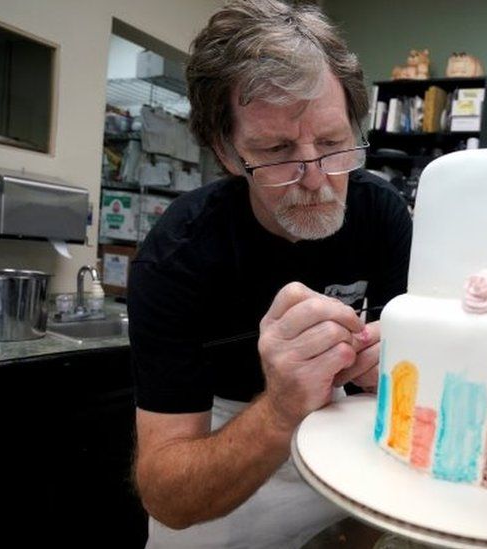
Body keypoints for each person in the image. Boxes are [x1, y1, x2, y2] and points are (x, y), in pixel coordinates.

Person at [127, 1, 412, 547]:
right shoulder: (177, 257)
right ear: (228, 153)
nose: (316, 180)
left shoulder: (382, 215)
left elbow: (410, 397)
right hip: (222, 484)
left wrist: (394, 377)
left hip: (342, 481)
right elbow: (168, 496)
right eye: (278, 151)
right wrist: (281, 409)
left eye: (332, 144)